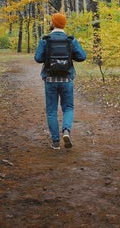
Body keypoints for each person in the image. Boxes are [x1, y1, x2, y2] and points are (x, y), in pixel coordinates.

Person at [34, 13, 87, 150]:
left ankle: (55, 142)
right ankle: (66, 131)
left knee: (51, 111)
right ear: (64, 24)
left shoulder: (45, 39)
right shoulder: (70, 40)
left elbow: (38, 58)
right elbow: (82, 57)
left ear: (53, 23)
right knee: (68, 107)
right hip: (67, 79)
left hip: (50, 79)